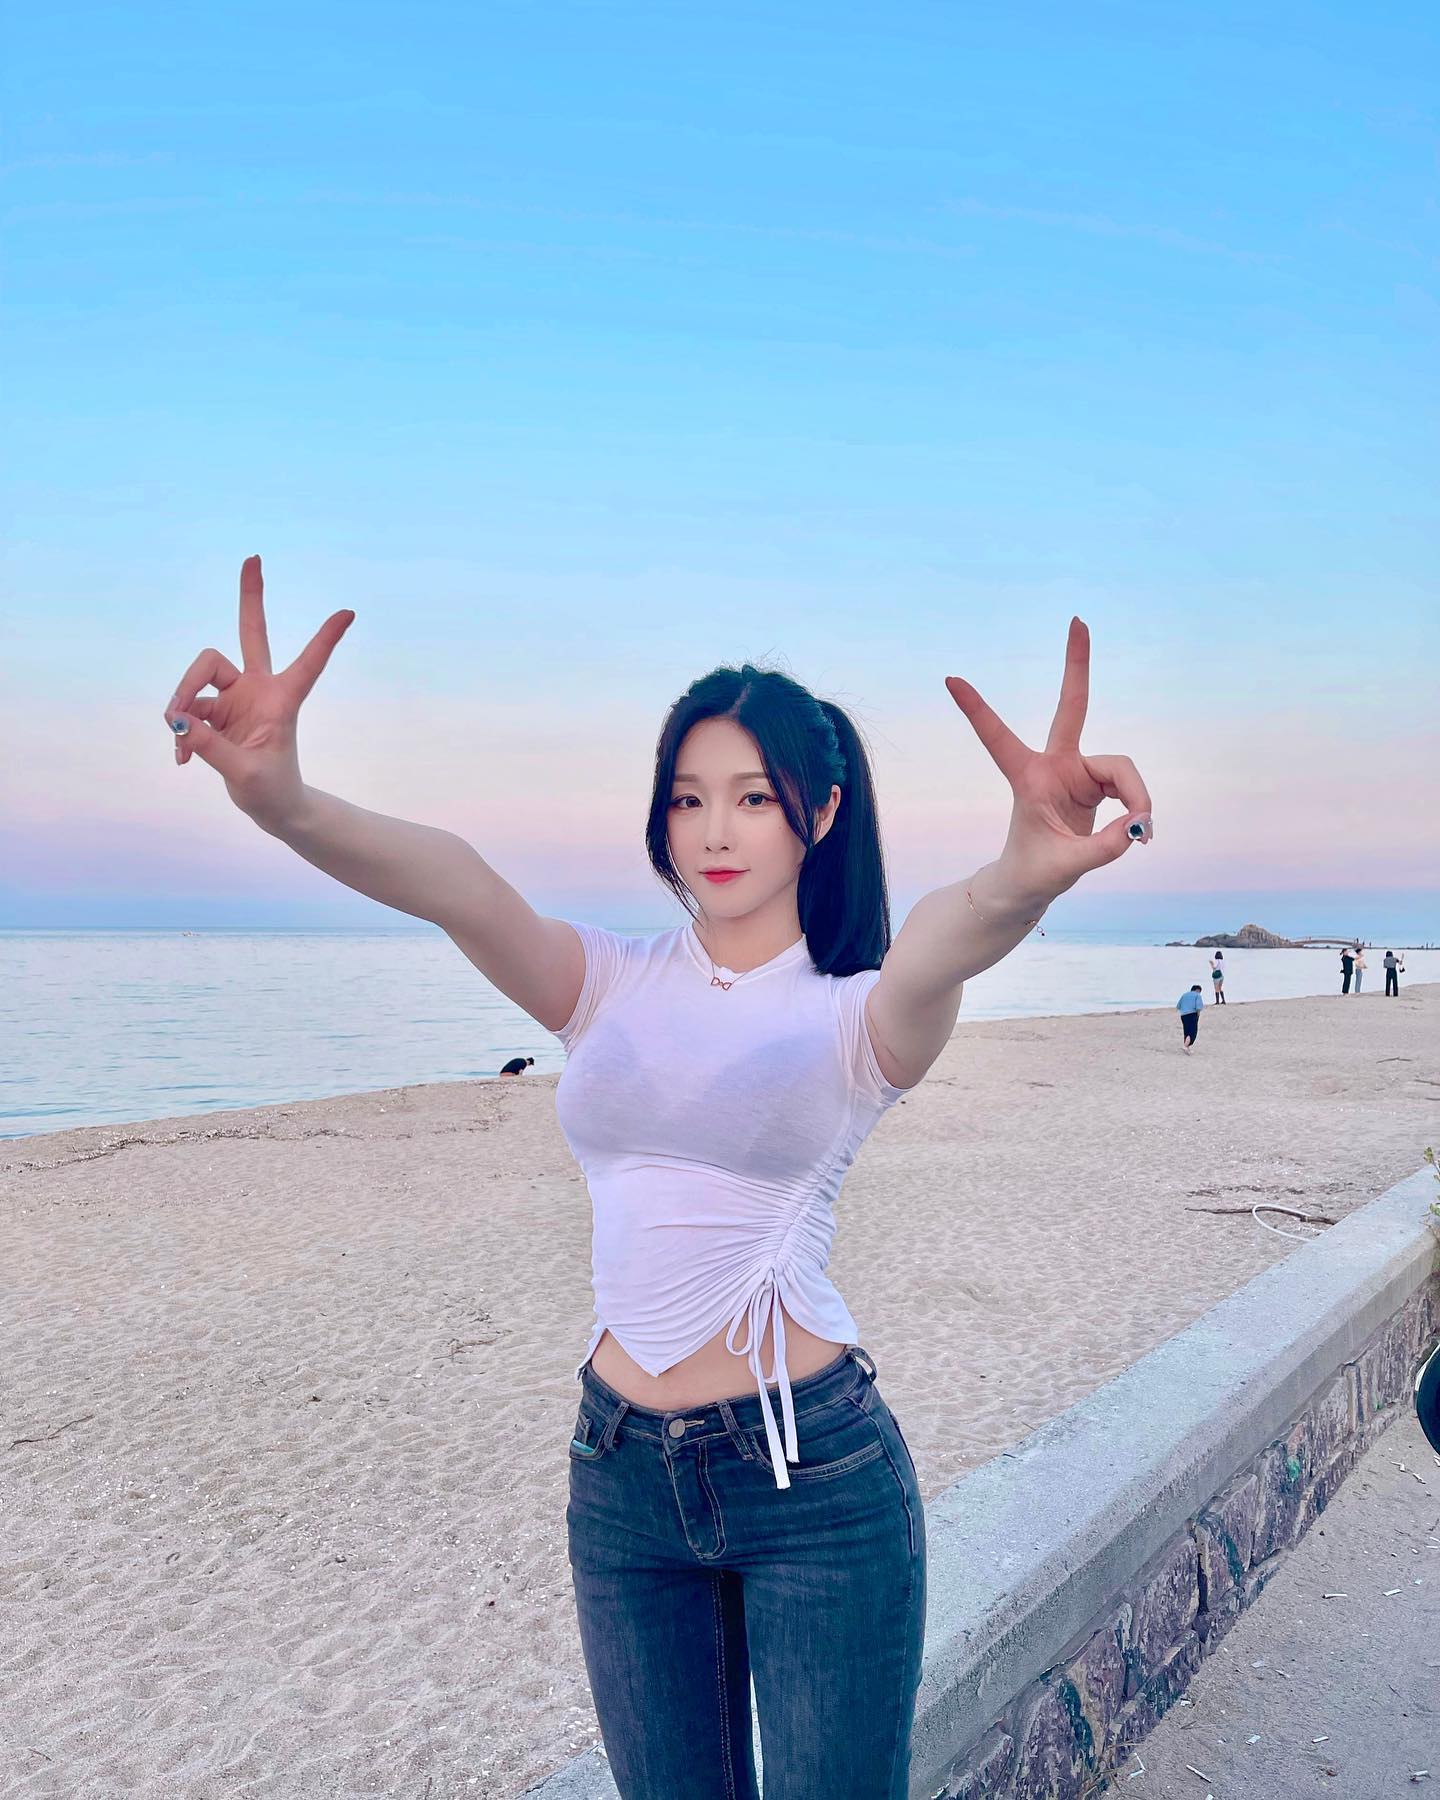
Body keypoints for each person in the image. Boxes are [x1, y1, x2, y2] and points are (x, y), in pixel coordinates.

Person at [163, 563, 1153, 1799]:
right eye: (689, 799)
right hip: (620, 1473)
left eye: (753, 796)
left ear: (822, 810)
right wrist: (286, 805)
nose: (715, 830)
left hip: (811, 1477)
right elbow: (455, 883)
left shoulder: (861, 1013)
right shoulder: (606, 983)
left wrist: (1022, 873)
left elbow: (950, 935)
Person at [1177, 984, 1204, 1052]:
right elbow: (1198, 1007)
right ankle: (1185, 1046)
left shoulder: (1184, 995)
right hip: (1192, 1014)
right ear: (1197, 990)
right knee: (1192, 1032)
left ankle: (1187, 1047)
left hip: (1183, 1015)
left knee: (1186, 1031)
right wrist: (1198, 1015)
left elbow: (1178, 1006)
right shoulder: (1197, 995)